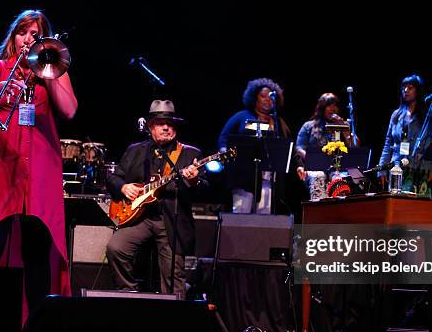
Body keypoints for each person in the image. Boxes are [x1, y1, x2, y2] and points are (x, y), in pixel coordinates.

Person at [0, 10, 78, 318]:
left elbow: (69, 110)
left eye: (36, 35)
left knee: (37, 253)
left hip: (40, 173)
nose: (29, 39)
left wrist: (47, 72)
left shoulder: (54, 71)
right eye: (24, 33)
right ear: (14, 37)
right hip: (2, 169)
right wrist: (3, 87)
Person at [106, 100, 206, 299]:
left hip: (170, 219)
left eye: (169, 123)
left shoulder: (190, 154)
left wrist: (194, 181)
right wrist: (124, 187)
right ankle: (128, 295)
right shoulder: (135, 150)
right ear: (150, 127)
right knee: (115, 248)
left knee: (172, 276)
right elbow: (113, 177)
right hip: (139, 218)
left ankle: (173, 316)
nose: (166, 127)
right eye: (160, 123)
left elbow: (205, 189)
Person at [218, 77, 292, 214]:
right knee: (241, 214)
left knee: (264, 217)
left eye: (270, 97)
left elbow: (285, 145)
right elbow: (223, 137)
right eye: (262, 96)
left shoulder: (277, 122)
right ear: (254, 98)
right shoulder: (241, 116)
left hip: (267, 178)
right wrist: (224, 151)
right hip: (243, 175)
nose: (267, 100)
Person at [378, 74, 432, 193]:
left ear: (418, 90)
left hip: (422, 170)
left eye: (410, 87)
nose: (406, 90)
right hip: (397, 169)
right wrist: (381, 170)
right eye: (404, 87)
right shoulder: (396, 115)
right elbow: (388, 145)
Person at [295, 92, 360, 200]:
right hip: (315, 167)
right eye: (329, 105)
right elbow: (299, 147)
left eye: (335, 105)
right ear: (322, 107)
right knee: (318, 176)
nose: (333, 109)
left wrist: (343, 127)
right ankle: (318, 210)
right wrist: (310, 160)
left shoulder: (343, 125)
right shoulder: (309, 126)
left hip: (337, 168)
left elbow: (355, 146)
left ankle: (337, 211)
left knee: (340, 178)